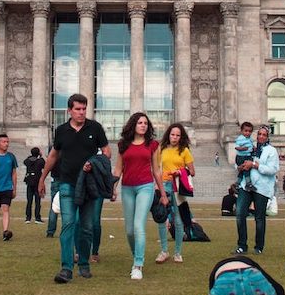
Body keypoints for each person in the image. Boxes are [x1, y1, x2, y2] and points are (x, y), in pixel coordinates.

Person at [38, 94, 110, 284]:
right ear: (69, 110)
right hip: (67, 184)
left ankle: (84, 263)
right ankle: (66, 268)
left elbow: (107, 153)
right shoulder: (61, 131)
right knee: (68, 225)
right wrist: (42, 178)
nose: (81, 112)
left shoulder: (95, 128)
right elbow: (54, 156)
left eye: (84, 109)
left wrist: (93, 163)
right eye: (78, 109)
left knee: (86, 228)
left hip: (88, 185)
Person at [112, 112, 166, 280]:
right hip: (127, 188)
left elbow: (156, 171)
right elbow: (118, 169)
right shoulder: (123, 145)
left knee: (138, 226)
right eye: (140, 122)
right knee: (129, 231)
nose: (143, 125)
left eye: (145, 123)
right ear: (133, 125)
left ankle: (138, 265)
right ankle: (137, 255)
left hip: (146, 187)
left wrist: (163, 193)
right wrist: (113, 188)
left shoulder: (153, 145)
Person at [235, 125, 279, 255]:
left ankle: (259, 246)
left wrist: (254, 165)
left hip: (262, 188)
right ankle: (242, 245)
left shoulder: (271, 151)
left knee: (259, 218)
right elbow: (240, 158)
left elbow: (273, 169)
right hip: (246, 186)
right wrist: (239, 167)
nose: (261, 136)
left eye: (264, 135)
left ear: (267, 137)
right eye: (259, 134)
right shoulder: (250, 146)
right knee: (239, 214)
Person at [155, 122, 195, 265]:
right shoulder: (161, 148)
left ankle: (178, 253)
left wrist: (179, 172)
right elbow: (156, 169)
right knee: (161, 217)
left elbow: (192, 171)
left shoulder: (184, 150)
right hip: (163, 185)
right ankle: (164, 251)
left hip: (177, 186)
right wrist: (156, 185)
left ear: (181, 137)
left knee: (178, 220)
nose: (175, 137)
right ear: (168, 135)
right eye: (172, 134)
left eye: (178, 135)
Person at [23, 147, 45, 224]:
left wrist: (30, 156)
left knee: (29, 201)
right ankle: (37, 218)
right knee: (37, 201)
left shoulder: (28, 161)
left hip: (29, 182)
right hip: (37, 182)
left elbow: (25, 161)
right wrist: (41, 156)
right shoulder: (40, 161)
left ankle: (28, 218)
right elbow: (44, 164)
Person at [233, 122, 255, 189]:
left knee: (242, 171)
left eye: (250, 131)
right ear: (241, 131)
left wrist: (253, 148)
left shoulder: (250, 138)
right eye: (246, 131)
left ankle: (237, 183)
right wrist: (242, 148)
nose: (248, 133)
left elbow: (251, 145)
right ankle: (248, 183)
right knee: (246, 169)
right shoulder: (240, 138)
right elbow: (236, 147)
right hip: (241, 157)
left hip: (248, 156)